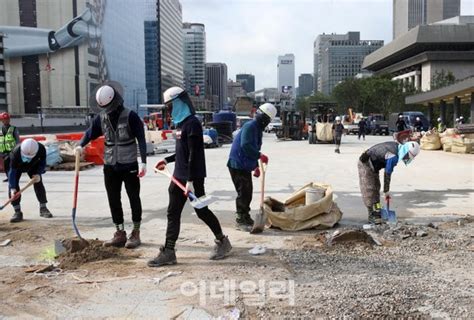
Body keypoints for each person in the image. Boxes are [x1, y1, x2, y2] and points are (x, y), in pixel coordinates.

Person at [148, 87, 231, 267]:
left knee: (201, 211)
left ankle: (222, 241)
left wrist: (191, 181)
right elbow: (182, 153)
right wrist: (166, 159)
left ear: (179, 103)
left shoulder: (192, 124)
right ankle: (169, 251)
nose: (169, 111)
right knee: (173, 213)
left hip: (192, 178)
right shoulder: (180, 124)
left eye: (170, 106)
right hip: (178, 176)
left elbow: (194, 154)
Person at [77, 84, 147, 249]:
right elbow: (90, 132)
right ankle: (119, 232)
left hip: (129, 164)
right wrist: (81, 144)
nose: (107, 110)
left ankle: (136, 232)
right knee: (113, 199)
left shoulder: (131, 116)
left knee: (133, 198)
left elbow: (141, 139)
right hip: (110, 165)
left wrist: (143, 161)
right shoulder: (101, 118)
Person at [227, 103, 276, 231]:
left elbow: (253, 147)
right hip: (237, 164)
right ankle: (240, 219)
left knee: (247, 192)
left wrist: (255, 166)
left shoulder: (257, 129)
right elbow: (246, 146)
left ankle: (245, 216)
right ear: (265, 119)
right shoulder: (250, 126)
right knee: (243, 192)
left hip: (244, 164)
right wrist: (259, 155)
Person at [358, 140, 420, 224]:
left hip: (373, 165)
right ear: (406, 152)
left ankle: (377, 211)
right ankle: (372, 216)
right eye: (408, 156)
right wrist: (386, 190)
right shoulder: (393, 156)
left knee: (376, 188)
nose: (407, 158)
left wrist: (385, 190)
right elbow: (387, 173)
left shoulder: (397, 147)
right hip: (366, 163)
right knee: (370, 190)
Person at [8, 138, 53, 223]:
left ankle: (43, 208)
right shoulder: (15, 152)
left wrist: (38, 173)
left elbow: (43, 162)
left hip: (33, 165)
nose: (27, 158)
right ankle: (17, 211)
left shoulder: (41, 149)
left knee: (38, 183)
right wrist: (12, 188)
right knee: (13, 187)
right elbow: (12, 172)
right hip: (17, 167)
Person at [0, 112, 20, 182]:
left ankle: (12, 178)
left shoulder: (13, 129)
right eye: (4, 119)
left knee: (11, 165)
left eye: (7, 119)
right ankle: (9, 177)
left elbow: (17, 140)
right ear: (1, 120)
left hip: (12, 151)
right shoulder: (0, 130)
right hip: (3, 151)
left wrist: (17, 150)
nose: (6, 120)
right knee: (6, 166)